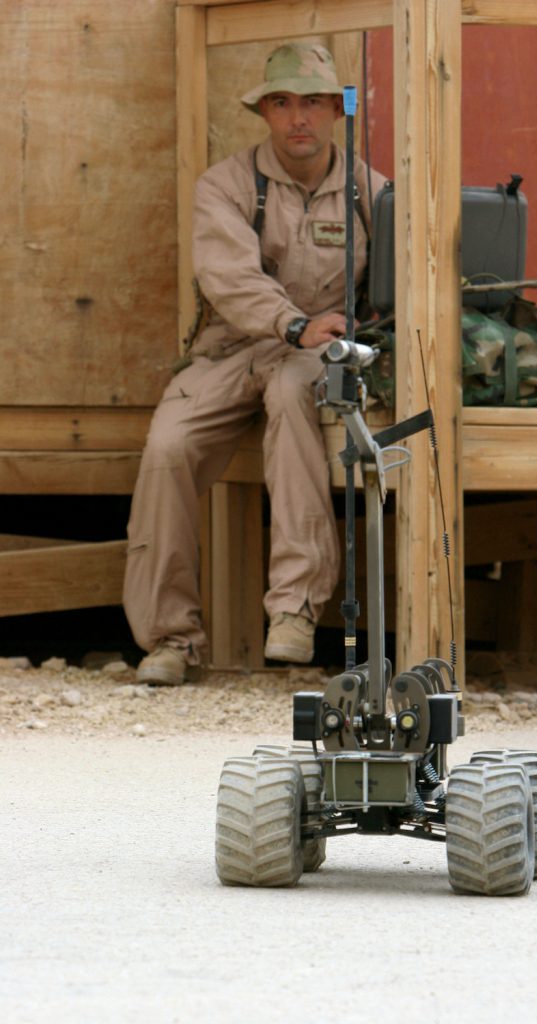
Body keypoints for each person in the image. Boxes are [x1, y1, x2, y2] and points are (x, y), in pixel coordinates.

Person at [123, 42, 384, 684]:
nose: (300, 117)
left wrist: (345, 336)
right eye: (283, 102)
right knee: (168, 447)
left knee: (295, 395)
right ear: (265, 111)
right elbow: (227, 278)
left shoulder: (371, 191)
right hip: (234, 346)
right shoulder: (227, 184)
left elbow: (406, 279)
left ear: (336, 110)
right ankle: (170, 640)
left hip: (316, 356)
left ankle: (294, 609)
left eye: (314, 102)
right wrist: (292, 323)